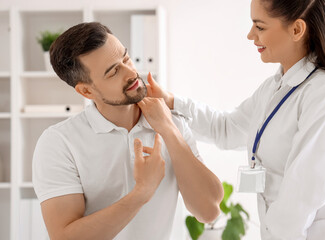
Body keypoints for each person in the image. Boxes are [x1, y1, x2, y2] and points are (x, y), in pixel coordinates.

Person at [143, 0, 325, 239]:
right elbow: (226, 129)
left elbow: (302, 195)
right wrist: (171, 102)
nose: (250, 35)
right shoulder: (274, 89)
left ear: (297, 30)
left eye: (260, 27)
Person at [32, 22, 224, 240]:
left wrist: (169, 129)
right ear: (86, 90)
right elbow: (65, 236)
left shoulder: (170, 121)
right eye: (114, 71)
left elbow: (209, 211)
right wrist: (141, 192)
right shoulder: (58, 142)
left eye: (126, 58)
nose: (131, 73)